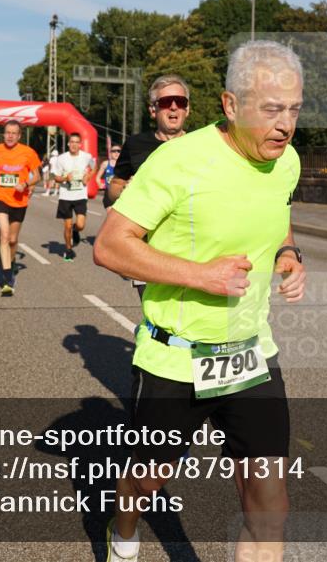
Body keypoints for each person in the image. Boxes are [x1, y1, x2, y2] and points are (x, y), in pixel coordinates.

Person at [93, 41, 306, 562]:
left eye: (294, 110)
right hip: (177, 355)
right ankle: (123, 533)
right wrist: (200, 277)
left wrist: (288, 254)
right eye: (271, 110)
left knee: (269, 504)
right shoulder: (177, 162)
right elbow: (110, 246)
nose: (285, 125)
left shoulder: (287, 163)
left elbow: (277, 217)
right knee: (145, 483)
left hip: (250, 354)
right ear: (231, 106)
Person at [104, 74, 190, 209]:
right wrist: (124, 190)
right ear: (153, 111)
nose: (174, 107)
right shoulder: (134, 144)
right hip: (145, 228)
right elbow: (114, 186)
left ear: (187, 109)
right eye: (166, 102)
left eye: (180, 102)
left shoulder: (200, 144)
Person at [0, 120, 41, 295]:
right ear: (4, 134)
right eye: (7, 132)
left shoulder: (28, 152)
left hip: (19, 200)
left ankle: (9, 260)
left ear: (19, 136)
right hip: (0, 197)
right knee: (3, 235)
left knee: (12, 240)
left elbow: (37, 176)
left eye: (13, 133)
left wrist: (25, 183)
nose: (9, 136)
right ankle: (7, 278)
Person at [53, 133, 96, 261]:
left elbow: (94, 167)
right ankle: (68, 249)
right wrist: (65, 178)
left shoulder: (86, 157)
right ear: (68, 143)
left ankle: (75, 231)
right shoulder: (61, 158)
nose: (74, 144)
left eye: (77, 142)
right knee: (66, 226)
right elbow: (56, 177)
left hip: (80, 195)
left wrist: (88, 177)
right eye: (72, 142)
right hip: (66, 196)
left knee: (81, 225)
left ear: (80, 144)